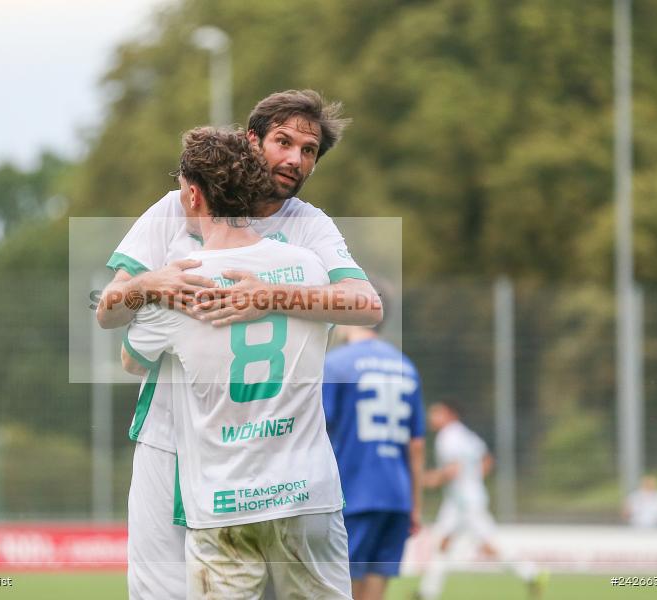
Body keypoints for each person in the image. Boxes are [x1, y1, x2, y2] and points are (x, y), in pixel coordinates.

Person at [97, 90, 382, 599]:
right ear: (252, 141)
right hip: (168, 439)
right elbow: (109, 307)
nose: (295, 159)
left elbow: (365, 303)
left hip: (266, 454)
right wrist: (151, 283)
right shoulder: (175, 208)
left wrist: (269, 296)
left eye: (309, 151)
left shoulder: (309, 225)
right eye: (283, 142)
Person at [321, 301, 425, 600]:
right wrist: (415, 505)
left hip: (354, 492)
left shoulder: (336, 364)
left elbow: (319, 429)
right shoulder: (406, 366)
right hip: (397, 497)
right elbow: (416, 445)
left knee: (343, 587)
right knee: (376, 588)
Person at [416, 401, 542, 600]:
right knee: (444, 543)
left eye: (436, 413)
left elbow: (453, 470)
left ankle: (531, 573)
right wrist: (472, 481)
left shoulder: (447, 436)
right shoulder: (465, 435)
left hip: (464, 503)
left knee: (488, 545)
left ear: (450, 414)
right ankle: (427, 593)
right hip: (464, 499)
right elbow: (487, 460)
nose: (431, 417)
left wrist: (426, 479)